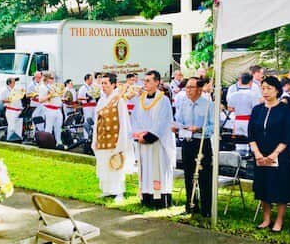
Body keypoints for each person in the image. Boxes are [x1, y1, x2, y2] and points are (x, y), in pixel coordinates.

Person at [248, 77, 290, 232]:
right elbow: (251, 134)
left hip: (280, 156)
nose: (265, 91)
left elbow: (288, 135)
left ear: (277, 90)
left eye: (269, 88)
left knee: (280, 188)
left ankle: (279, 220)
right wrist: (257, 153)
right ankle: (266, 218)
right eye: (263, 88)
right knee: (264, 187)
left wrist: (274, 154)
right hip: (260, 155)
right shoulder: (257, 109)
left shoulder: (285, 110)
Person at [131, 70, 176, 208]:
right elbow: (135, 119)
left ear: (157, 82)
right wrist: (138, 135)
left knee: (159, 170)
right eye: (144, 81)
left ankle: (160, 199)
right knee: (146, 171)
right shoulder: (140, 100)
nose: (145, 83)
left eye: (149, 81)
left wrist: (150, 136)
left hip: (158, 143)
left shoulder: (164, 100)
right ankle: (146, 197)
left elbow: (163, 122)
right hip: (143, 142)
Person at [174, 77, 214, 216]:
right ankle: (191, 204)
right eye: (187, 87)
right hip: (187, 142)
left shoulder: (208, 103)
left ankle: (207, 208)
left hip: (201, 142)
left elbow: (213, 126)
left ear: (199, 89)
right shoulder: (183, 103)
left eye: (191, 87)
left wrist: (199, 129)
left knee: (204, 176)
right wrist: (176, 127)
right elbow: (178, 120)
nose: (188, 90)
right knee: (189, 175)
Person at [91, 73, 134, 202]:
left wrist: (122, 141)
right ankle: (107, 190)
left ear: (113, 84)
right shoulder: (101, 100)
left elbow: (123, 121)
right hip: (103, 137)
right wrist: (95, 138)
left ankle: (119, 191)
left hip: (115, 137)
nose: (103, 86)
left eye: (106, 83)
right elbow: (96, 121)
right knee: (103, 164)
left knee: (116, 165)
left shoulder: (119, 100)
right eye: (102, 83)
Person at [226, 72, 260, 137]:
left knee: (239, 143)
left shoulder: (233, 95)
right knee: (250, 143)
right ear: (251, 82)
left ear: (240, 81)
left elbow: (230, 108)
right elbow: (256, 110)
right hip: (249, 121)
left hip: (237, 121)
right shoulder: (253, 95)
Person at [38, 72, 63, 147]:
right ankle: (46, 143)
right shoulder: (42, 87)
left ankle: (59, 142)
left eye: (53, 78)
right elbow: (40, 100)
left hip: (57, 109)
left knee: (58, 127)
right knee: (49, 128)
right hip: (50, 109)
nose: (53, 80)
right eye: (51, 78)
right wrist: (50, 95)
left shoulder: (51, 86)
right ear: (47, 78)